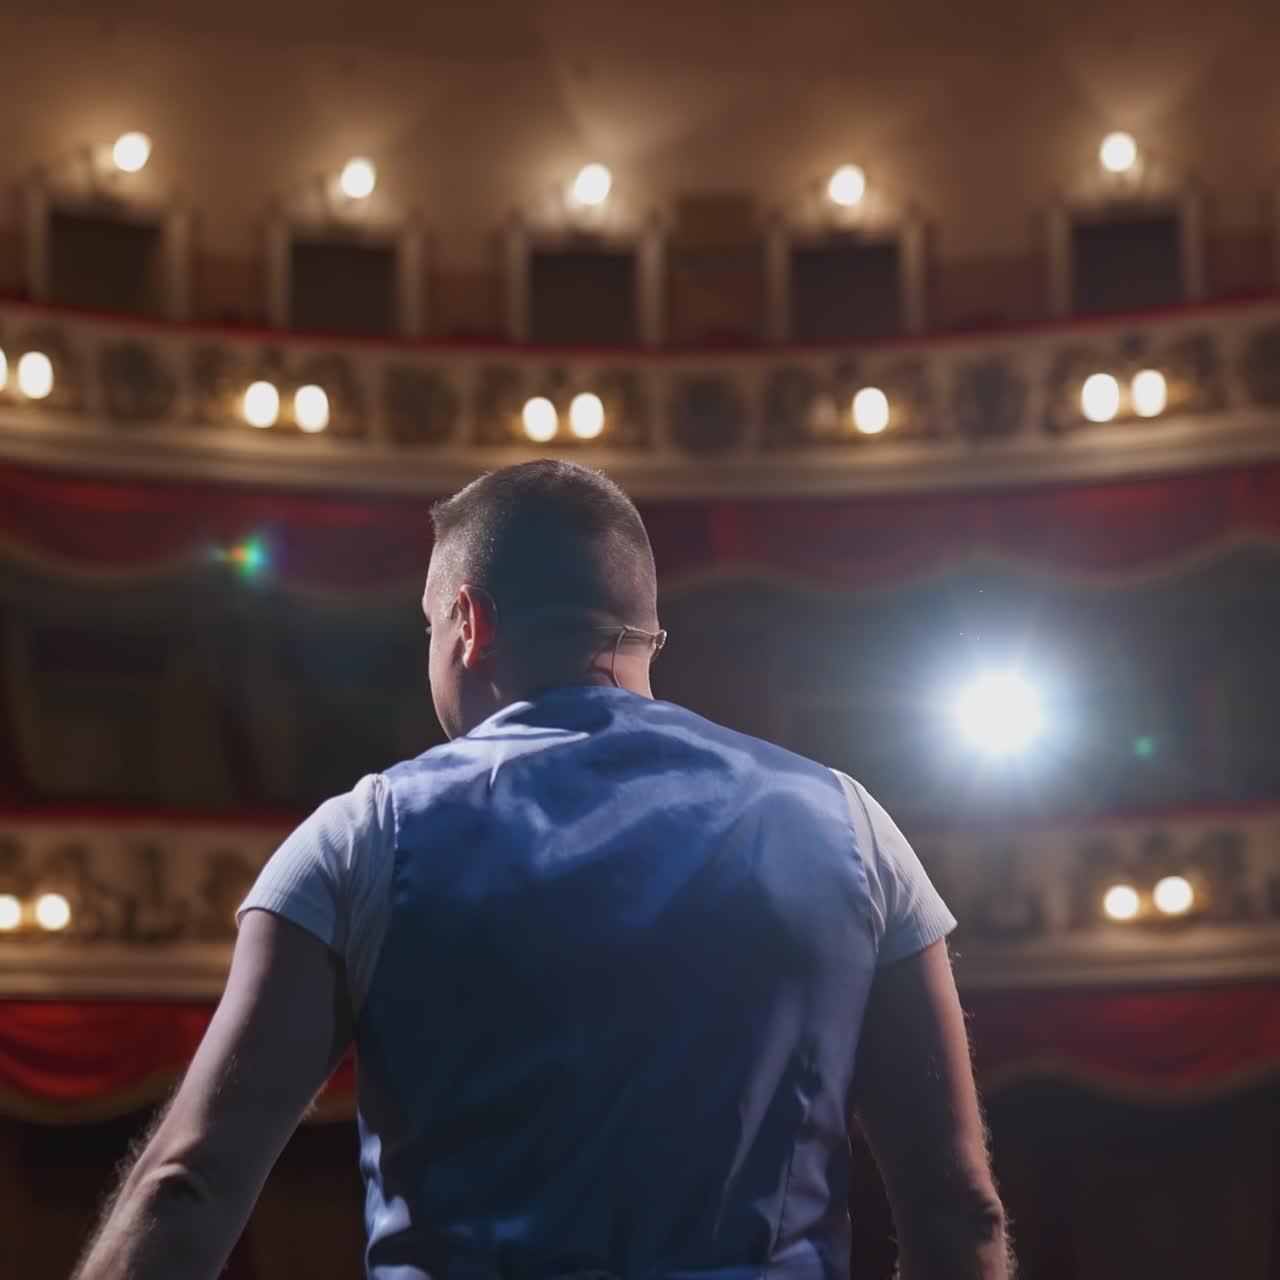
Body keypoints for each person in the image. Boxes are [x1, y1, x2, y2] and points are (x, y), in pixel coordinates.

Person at [74, 460, 1011, 1280]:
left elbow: (188, 1191)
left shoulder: (364, 836)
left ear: (468, 622)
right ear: (645, 637)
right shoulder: (853, 827)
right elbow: (959, 1210)